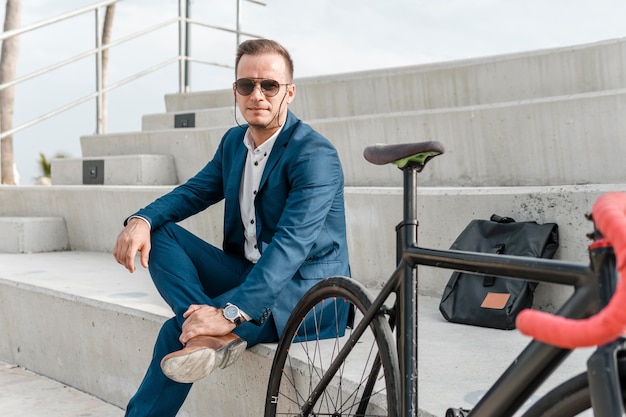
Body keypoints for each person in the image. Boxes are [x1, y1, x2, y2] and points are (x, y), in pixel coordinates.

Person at [113, 38, 351, 417]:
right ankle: (200, 325)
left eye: (269, 85)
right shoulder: (233, 143)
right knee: (160, 233)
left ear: (289, 92)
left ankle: (203, 327)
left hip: (305, 295)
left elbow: (290, 246)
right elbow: (193, 192)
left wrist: (229, 313)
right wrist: (140, 220)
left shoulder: (314, 155)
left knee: (173, 333)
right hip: (250, 273)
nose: (257, 94)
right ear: (236, 92)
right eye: (246, 85)